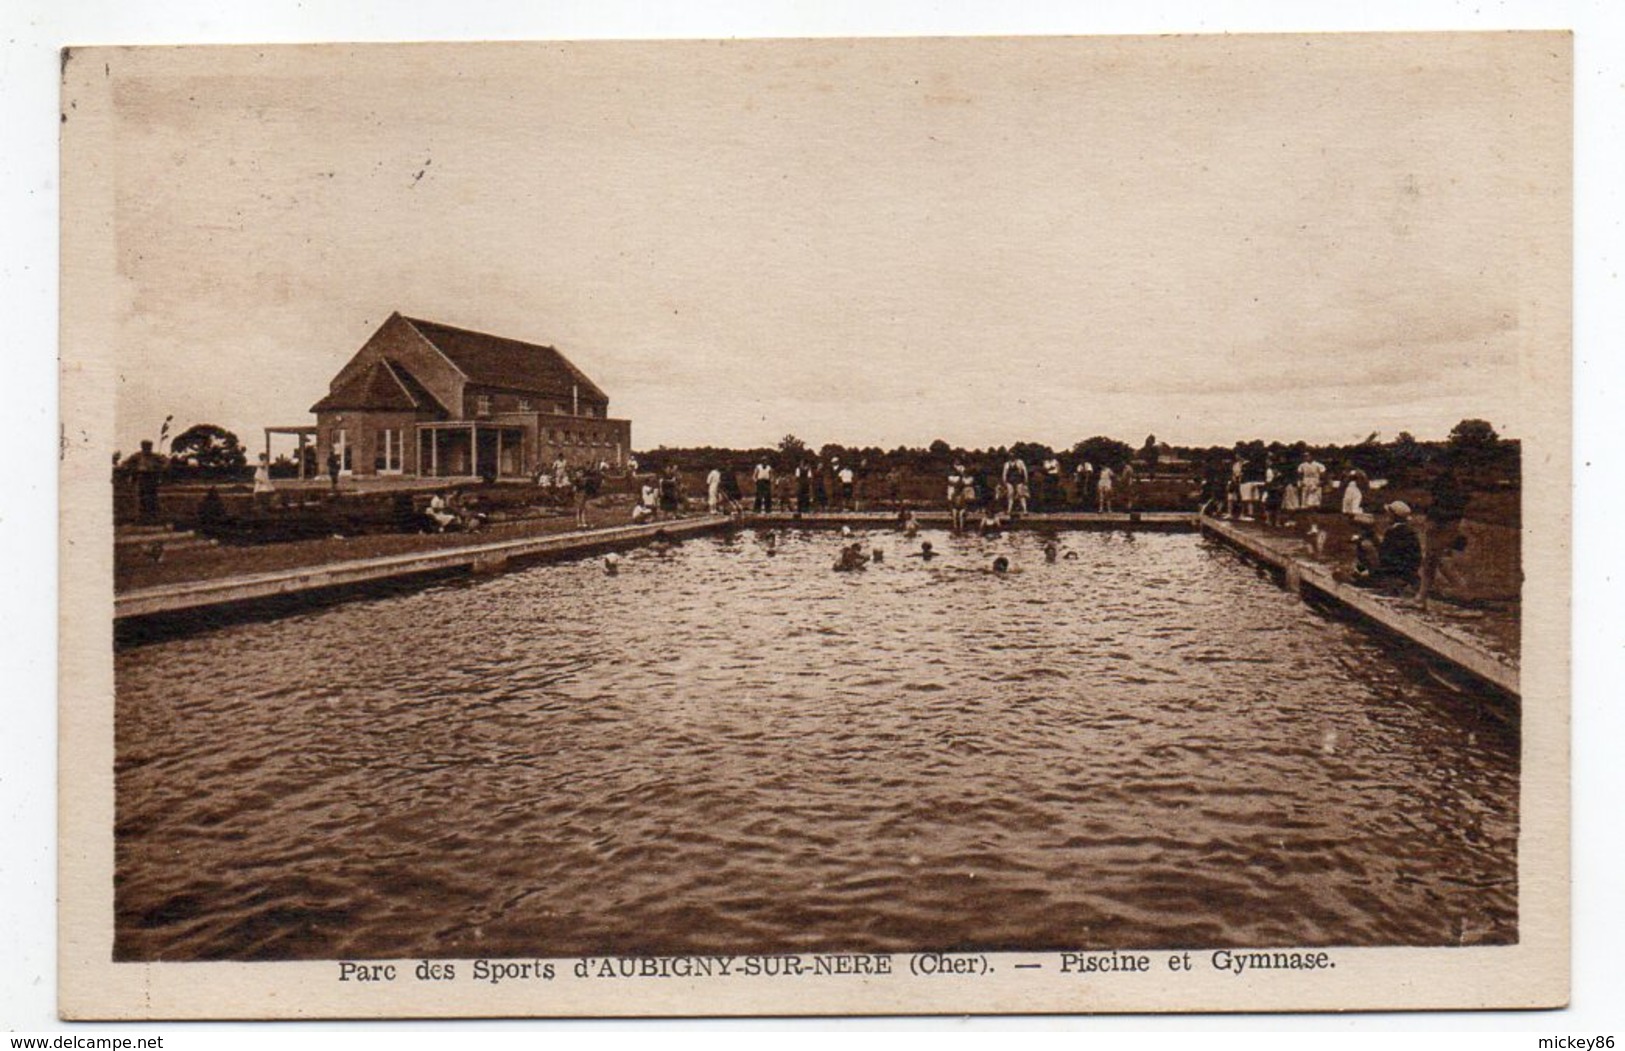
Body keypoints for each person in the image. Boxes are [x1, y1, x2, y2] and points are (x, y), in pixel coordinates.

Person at [947, 462, 973, 534]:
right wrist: (952, 509)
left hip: (962, 508)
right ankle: (955, 527)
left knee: (961, 514)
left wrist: (964, 509)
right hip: (955, 508)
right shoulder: (953, 495)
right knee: (955, 513)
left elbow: (965, 504)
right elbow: (951, 504)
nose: (957, 490)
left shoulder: (962, 494)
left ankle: (961, 528)